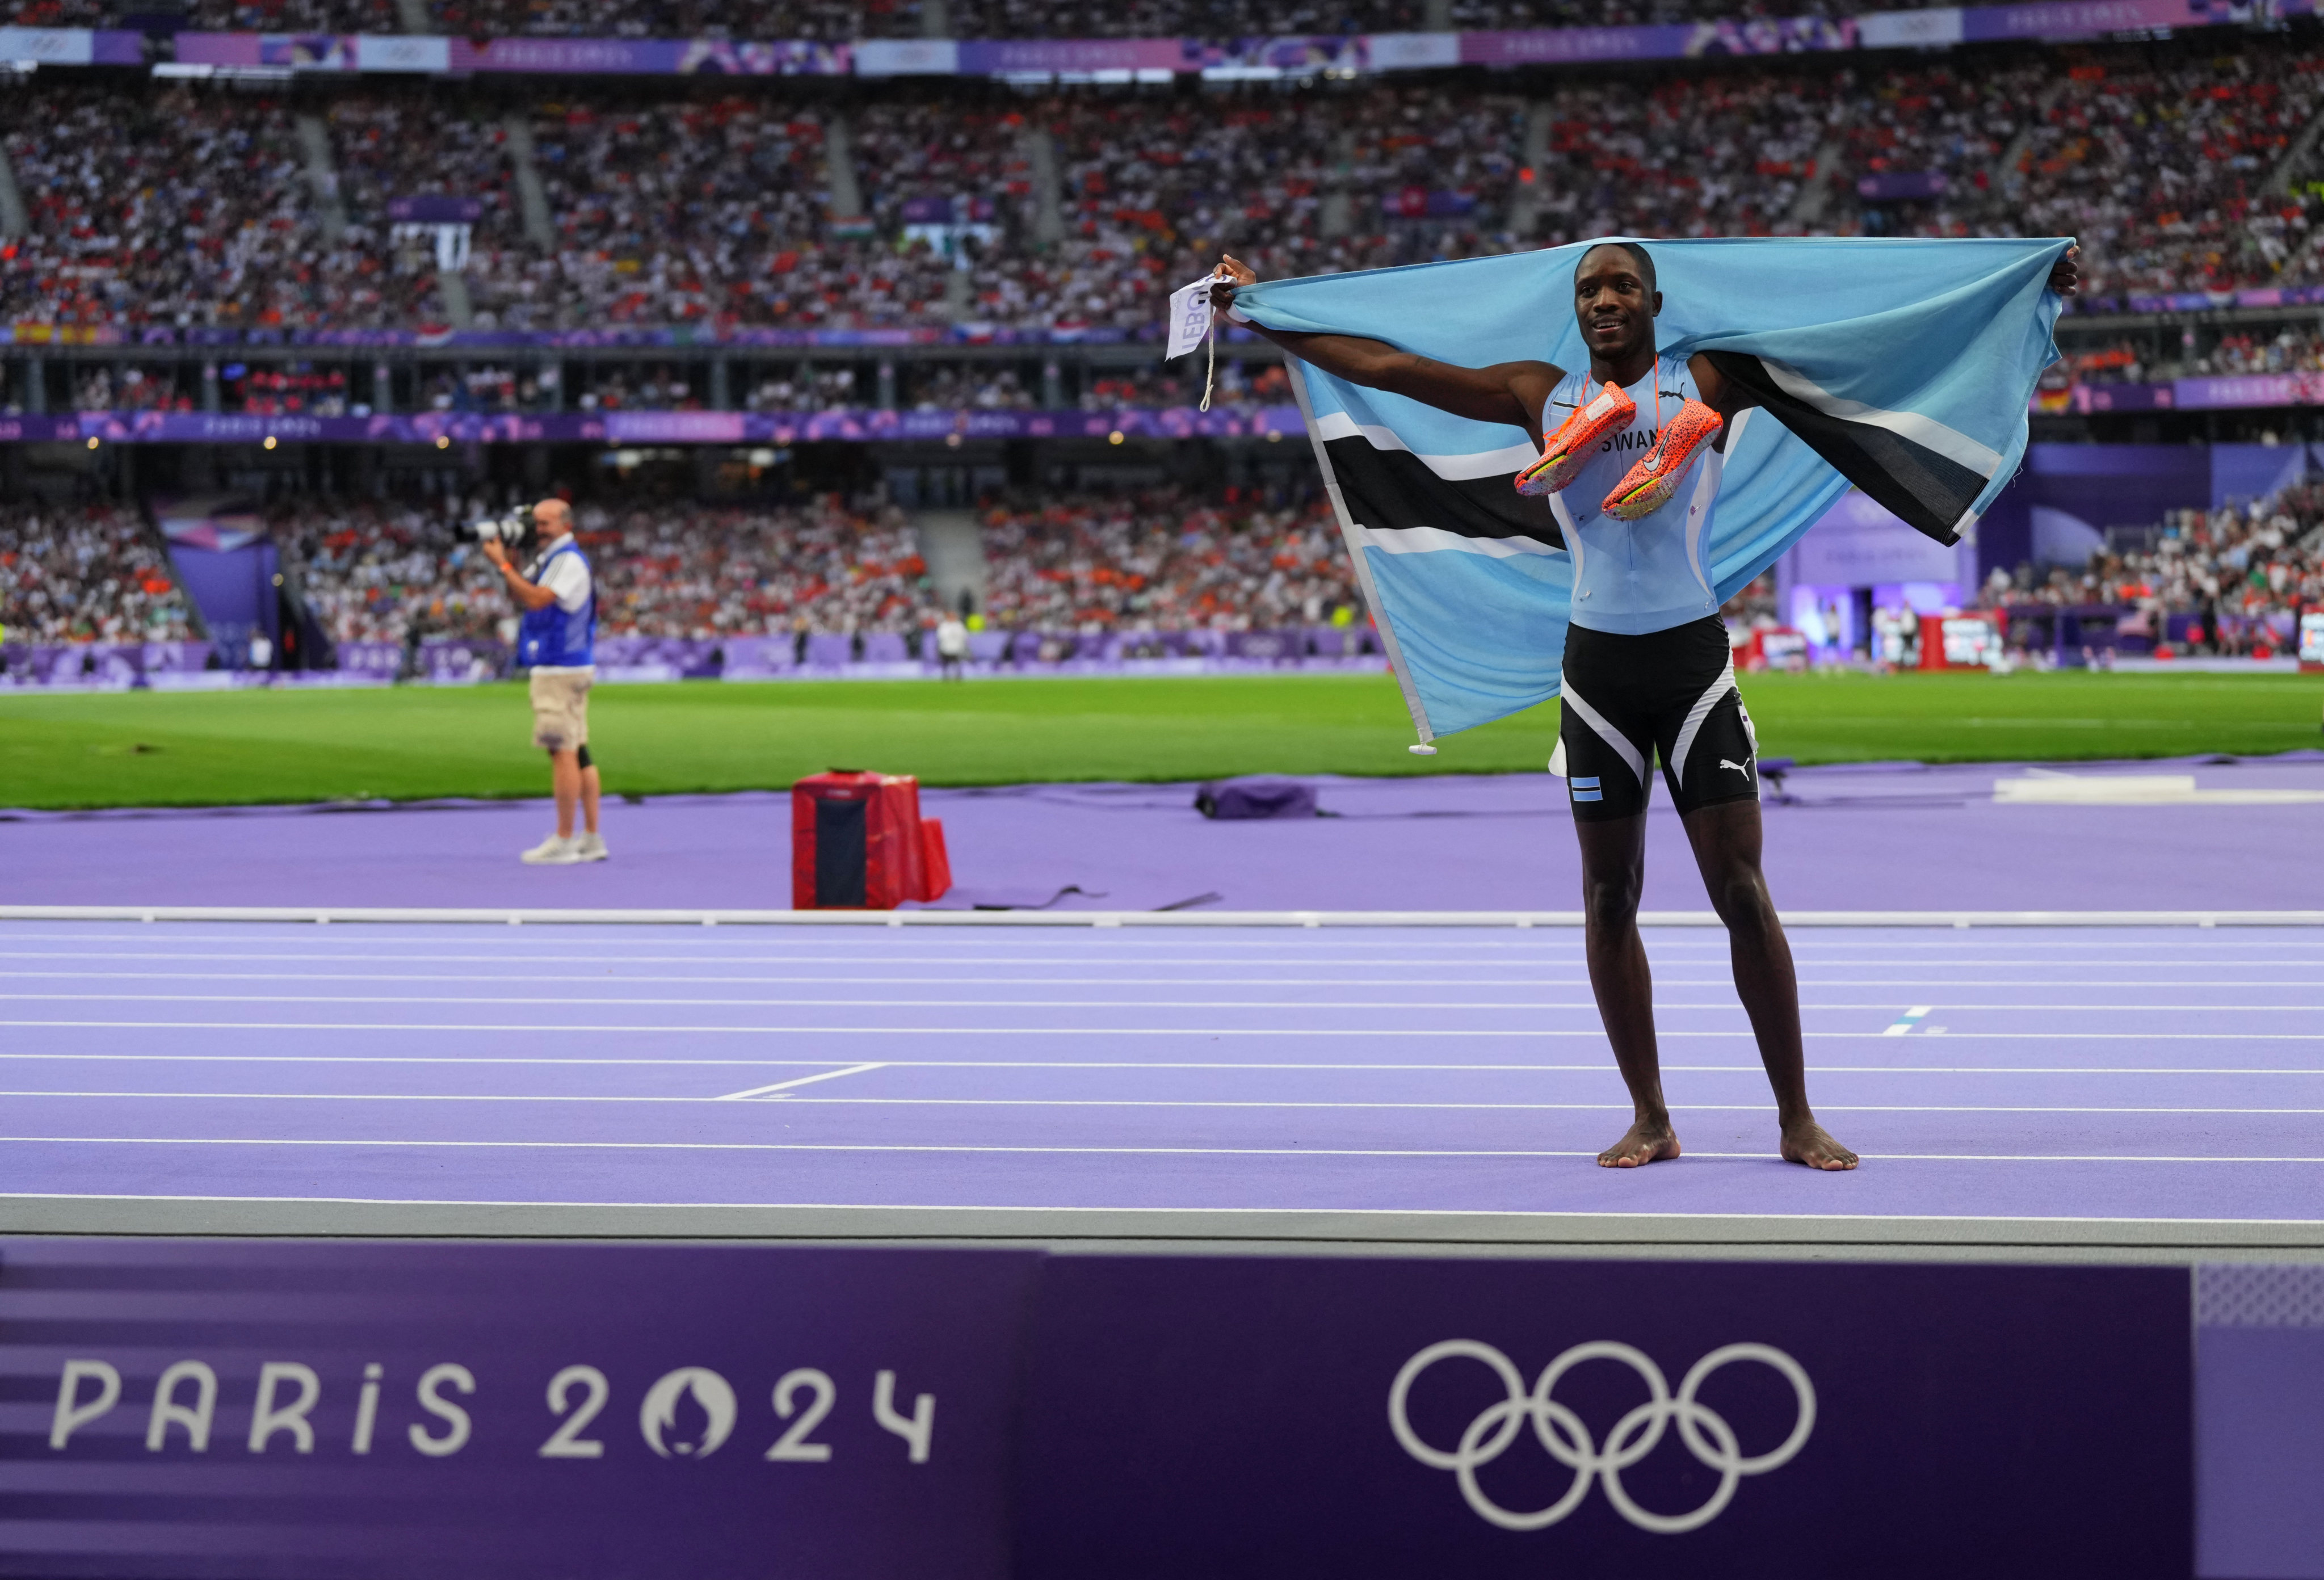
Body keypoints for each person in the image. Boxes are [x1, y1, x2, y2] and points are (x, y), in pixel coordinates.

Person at [1213, 240, 2080, 1171]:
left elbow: (1864, 336)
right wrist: (1267, 312)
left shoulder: (1704, 375)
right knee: (1608, 895)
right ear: (1576, 309)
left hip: (1691, 662)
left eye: (1623, 283)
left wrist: (2021, 284)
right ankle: (1651, 1115)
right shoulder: (1537, 391)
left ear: (1657, 300)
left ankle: (1796, 1115)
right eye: (1589, 288)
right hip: (1596, 673)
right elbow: (1395, 368)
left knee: (1742, 892)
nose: (1605, 298)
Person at [481, 498, 608, 866]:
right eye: (534, 522)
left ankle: (565, 840)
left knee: (561, 751)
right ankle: (591, 838)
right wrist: (510, 564)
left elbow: (536, 600)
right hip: (568, 664)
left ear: (566, 525)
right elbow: (521, 591)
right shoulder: (554, 557)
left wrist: (501, 563)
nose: (536, 529)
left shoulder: (566, 560)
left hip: (559, 668)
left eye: (544, 523)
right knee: (580, 751)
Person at [934, 610, 969, 680]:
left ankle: (958, 676)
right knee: (946, 663)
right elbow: (940, 636)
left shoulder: (959, 625)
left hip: (957, 648)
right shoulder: (944, 625)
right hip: (946, 647)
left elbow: (964, 636)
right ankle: (946, 676)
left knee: (957, 662)